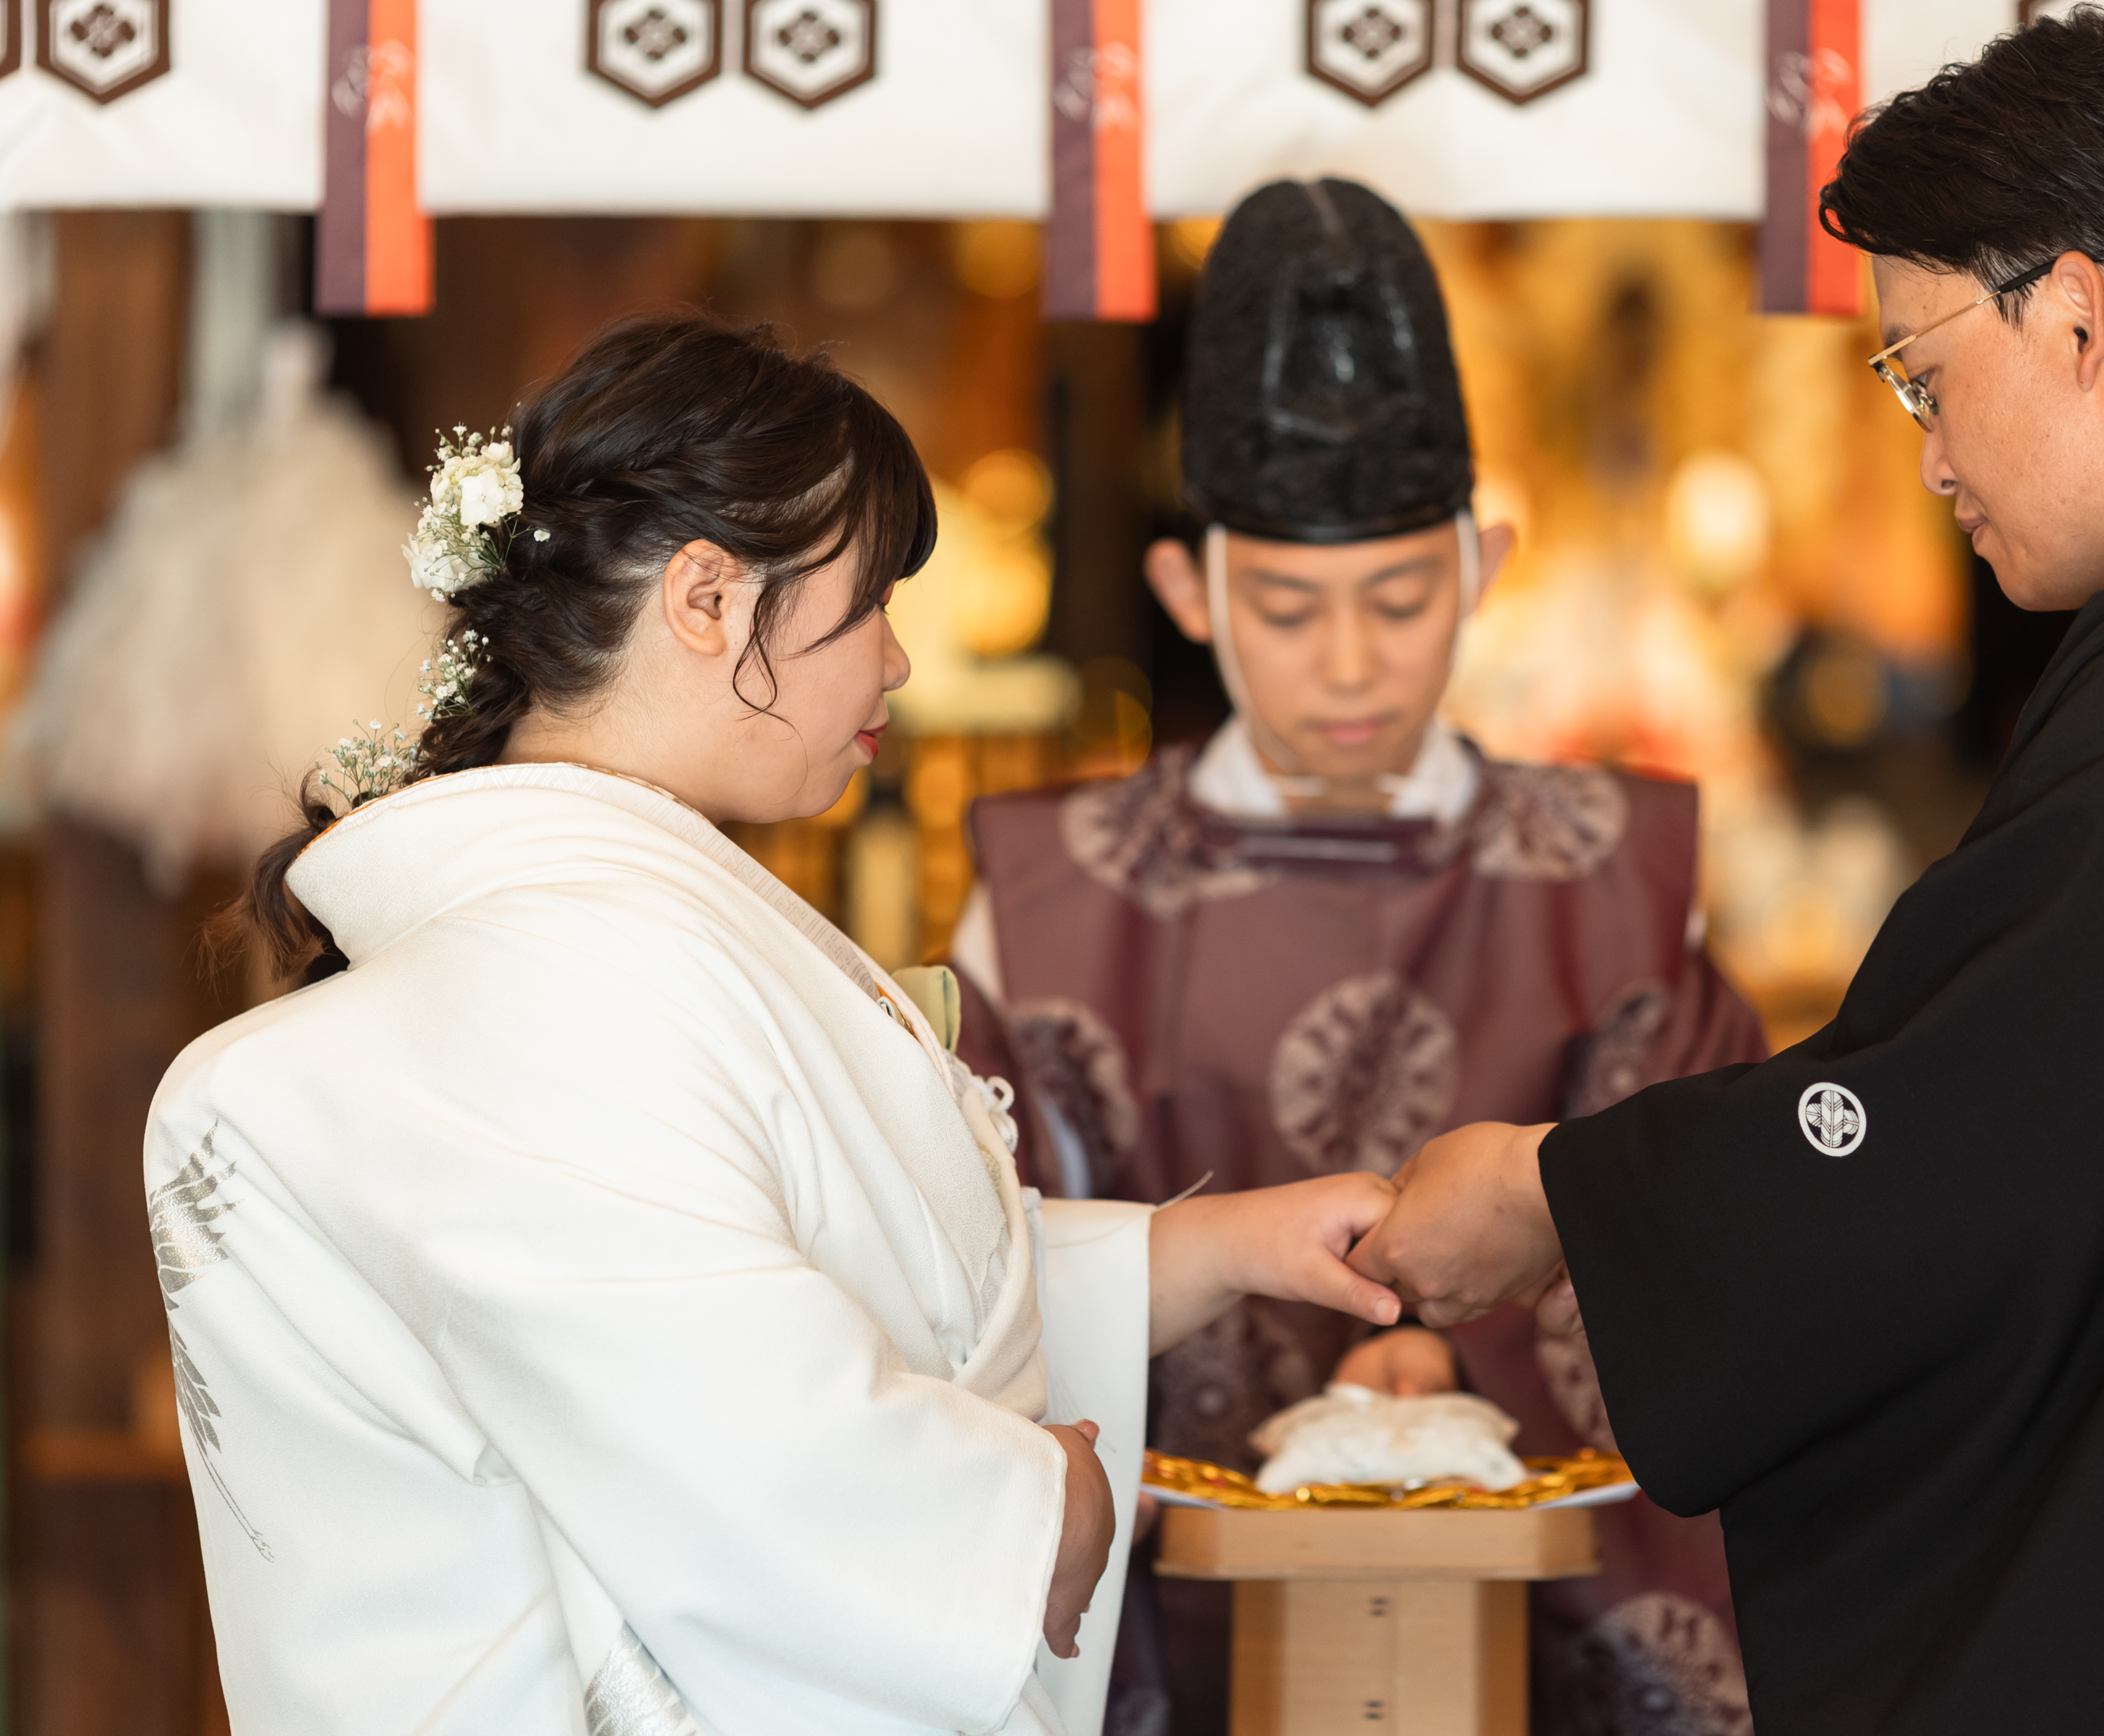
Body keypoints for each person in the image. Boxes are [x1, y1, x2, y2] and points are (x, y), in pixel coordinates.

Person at [1352, 14, 2104, 1735]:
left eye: (1926, 379)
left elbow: (1977, 1121)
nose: (1930, 458)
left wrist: (1563, 1199)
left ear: (2078, 315)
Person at [147, 314, 1406, 1735]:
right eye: (869, 600)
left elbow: (806, 1263)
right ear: (704, 598)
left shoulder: (596, 938)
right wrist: (1031, 1508)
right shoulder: (550, 975)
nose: (897, 661)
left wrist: (1204, 1250)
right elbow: (720, 1422)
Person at [950, 179, 1765, 1735]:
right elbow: (976, 1285)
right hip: (1171, 1632)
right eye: (1287, 604)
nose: (1345, 666)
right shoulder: (1046, 900)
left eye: (1398, 601)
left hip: (1554, 1628)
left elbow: (1721, 1255)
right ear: (1189, 589)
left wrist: (1472, 1395)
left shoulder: (1628, 882)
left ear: (1482, 563)